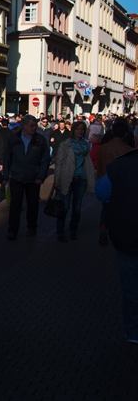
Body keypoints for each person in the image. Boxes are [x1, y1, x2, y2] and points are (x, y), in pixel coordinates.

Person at [95, 147, 138, 345]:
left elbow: (102, 192)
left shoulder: (121, 164)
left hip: (128, 235)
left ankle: (133, 330)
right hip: (128, 236)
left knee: (131, 287)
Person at [2, 115, 50, 240]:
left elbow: (45, 160)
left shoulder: (40, 140)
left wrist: (41, 176)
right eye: (31, 125)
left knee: (33, 205)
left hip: (33, 178)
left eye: (35, 125)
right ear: (24, 126)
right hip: (17, 177)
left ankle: (32, 227)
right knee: (15, 205)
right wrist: (6, 175)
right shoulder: (14, 139)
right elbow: (7, 158)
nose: (34, 128)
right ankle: (12, 230)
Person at [53, 121, 96, 243]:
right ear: (73, 130)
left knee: (77, 207)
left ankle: (73, 230)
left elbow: (88, 162)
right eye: (78, 129)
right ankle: (60, 232)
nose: (80, 131)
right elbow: (59, 163)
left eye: (82, 129)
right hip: (67, 178)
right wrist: (57, 180)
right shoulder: (66, 144)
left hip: (81, 178)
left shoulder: (86, 145)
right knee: (64, 207)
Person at [95, 121, 131, 246]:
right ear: (125, 134)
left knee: (106, 208)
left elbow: (99, 167)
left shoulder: (102, 148)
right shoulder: (128, 150)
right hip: (121, 184)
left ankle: (103, 228)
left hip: (105, 181)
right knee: (120, 209)